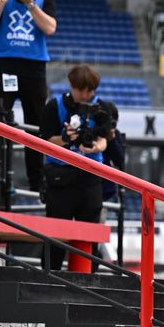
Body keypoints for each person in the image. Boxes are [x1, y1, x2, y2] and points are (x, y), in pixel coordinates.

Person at [0, 0, 58, 193]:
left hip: (33, 68)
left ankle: (37, 181)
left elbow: (50, 28)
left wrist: (30, 3)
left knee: (35, 123)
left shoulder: (44, 0)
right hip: (5, 65)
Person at [38, 64, 114, 271]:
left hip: (90, 177)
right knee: (55, 236)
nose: (86, 95)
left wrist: (98, 146)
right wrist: (64, 139)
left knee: (89, 237)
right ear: (72, 85)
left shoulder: (102, 107)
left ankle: (88, 281)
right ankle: (49, 278)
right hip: (60, 178)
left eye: (90, 90)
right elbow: (44, 141)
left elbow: (105, 138)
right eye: (82, 90)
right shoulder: (54, 106)